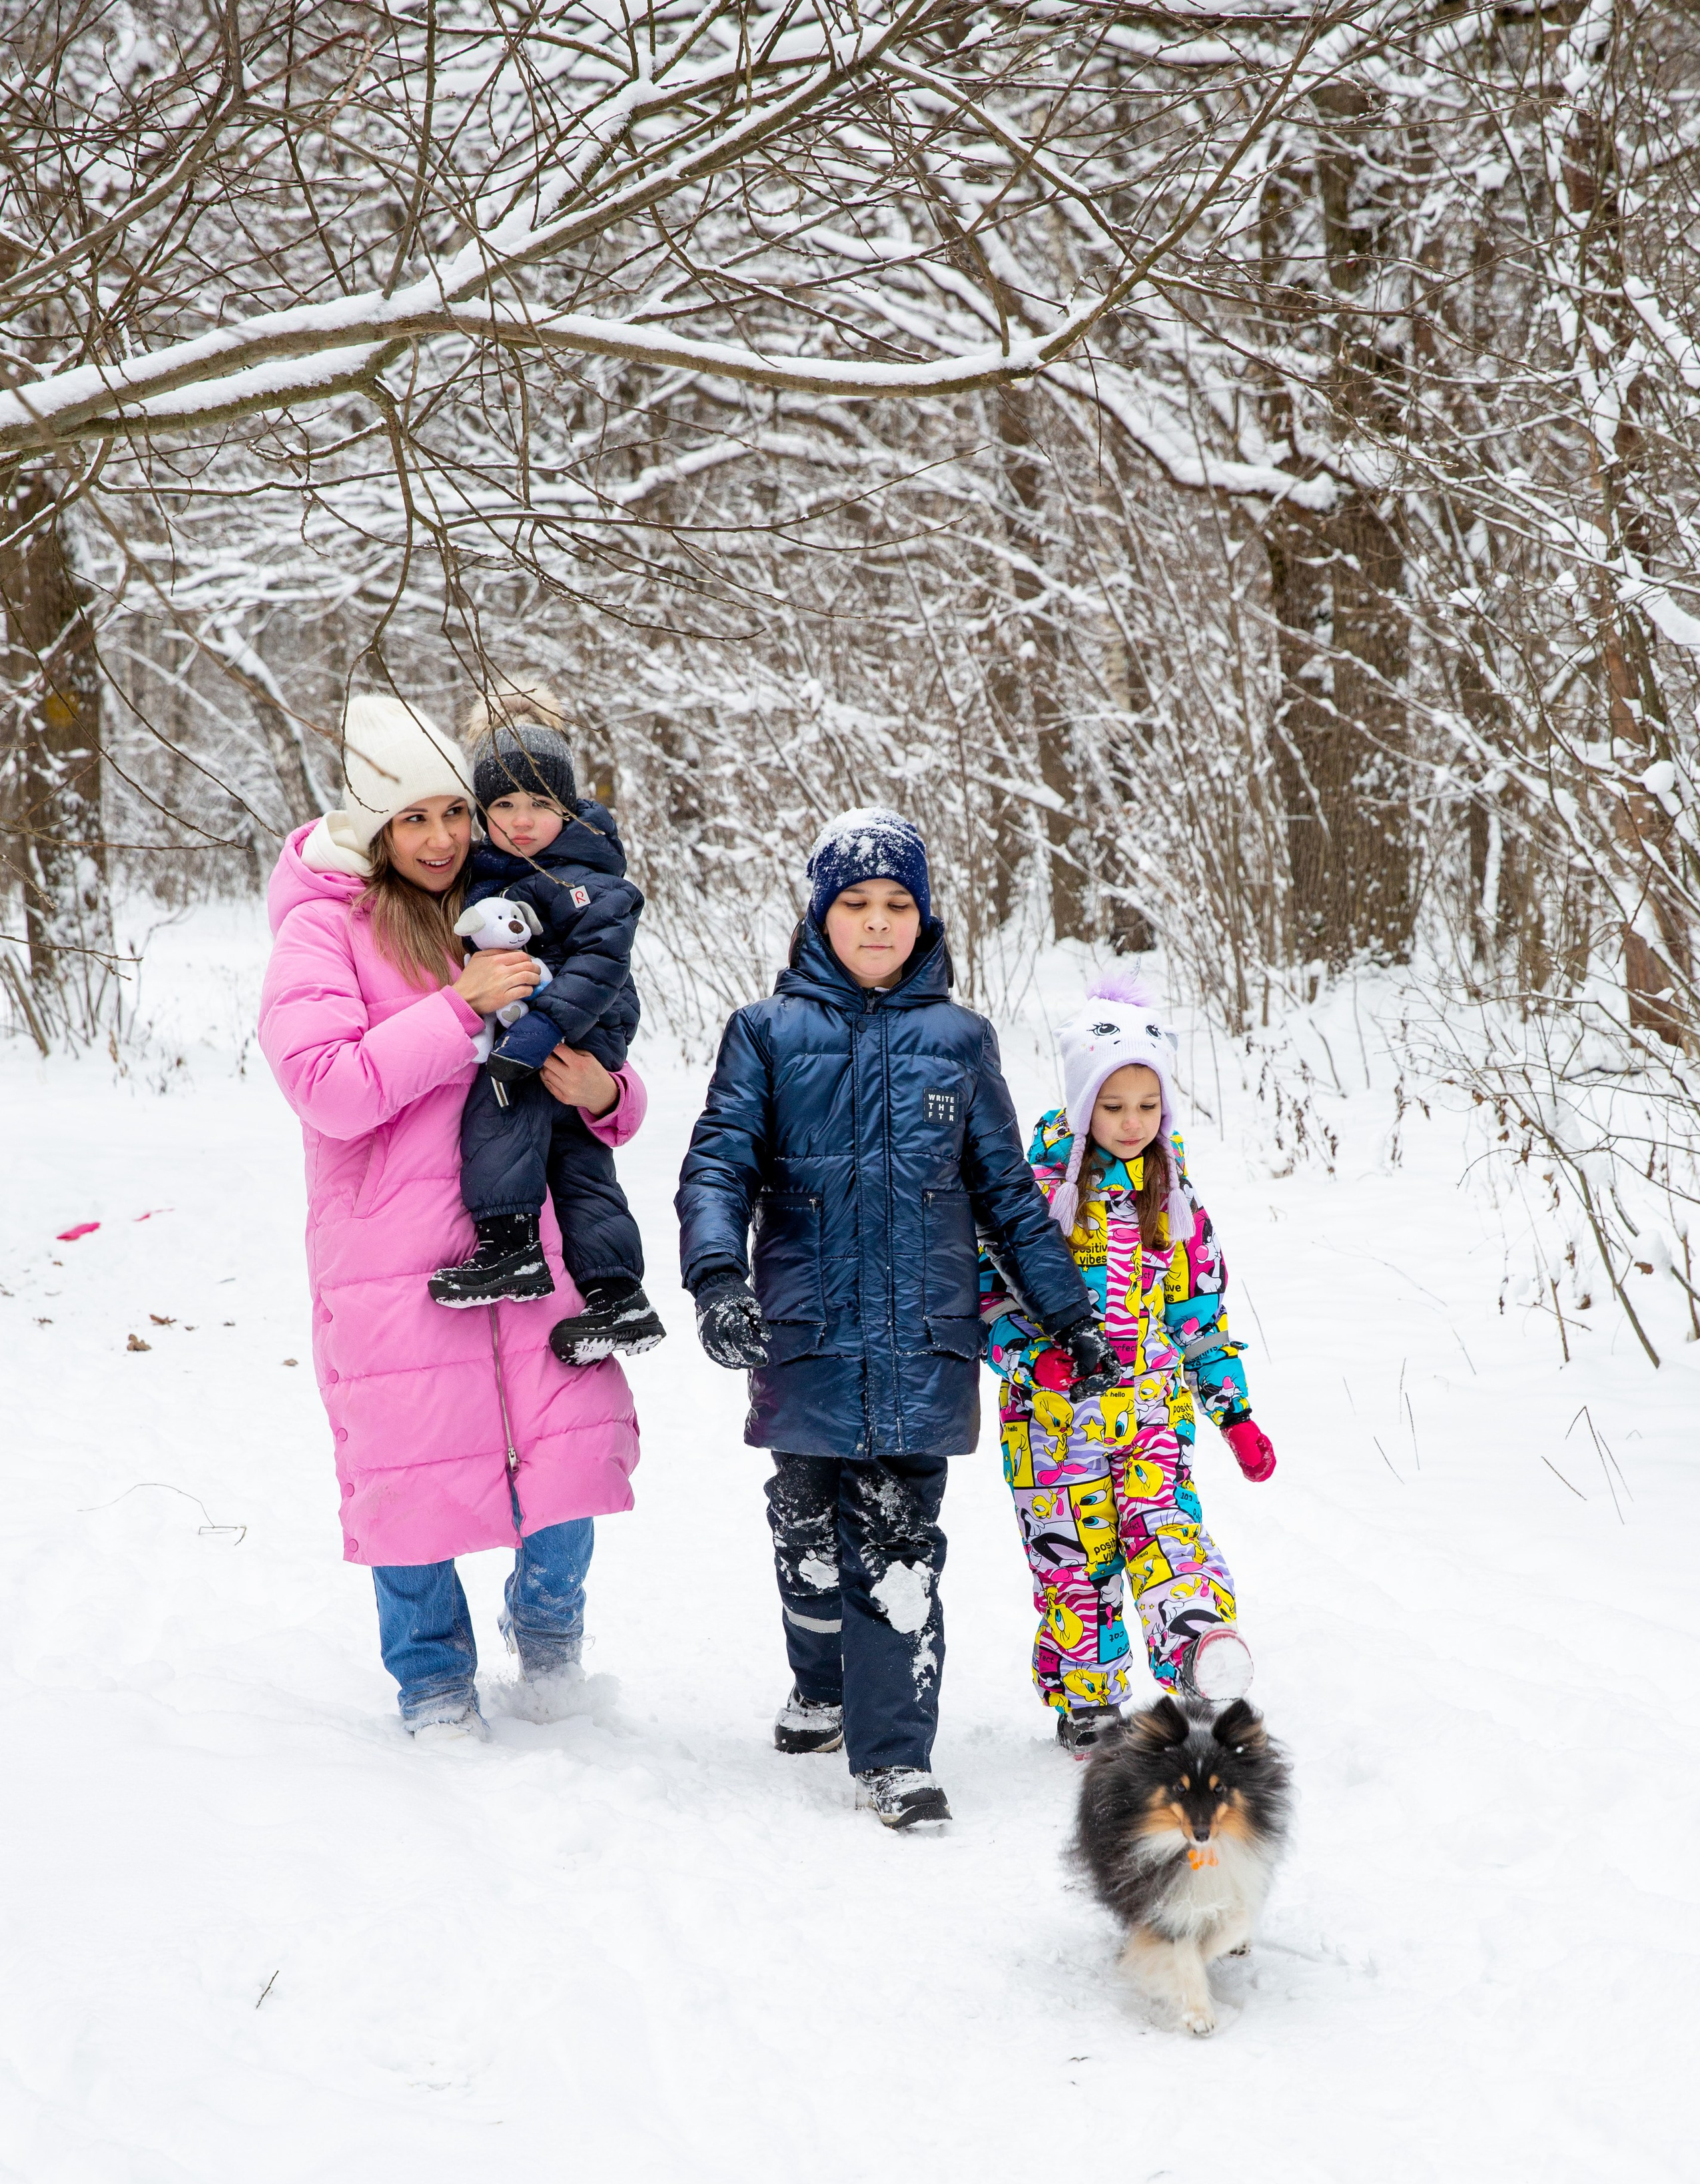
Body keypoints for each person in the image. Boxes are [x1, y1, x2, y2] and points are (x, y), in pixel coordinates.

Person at [675, 809, 1118, 1830]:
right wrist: (716, 1280)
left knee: (899, 1545)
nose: (878, 924)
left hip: (922, 1344)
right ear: (821, 916)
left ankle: (895, 1757)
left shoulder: (959, 1043)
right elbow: (719, 1165)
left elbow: (1007, 1195)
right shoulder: (767, 1034)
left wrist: (1069, 1318)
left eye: (898, 906)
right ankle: (822, 1681)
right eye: (857, 906)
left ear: (925, 920)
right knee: (809, 1535)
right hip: (806, 1336)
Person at [257, 691, 644, 1740]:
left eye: (453, 815)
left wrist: (608, 1098)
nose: (439, 840)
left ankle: (551, 1629)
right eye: (413, 819)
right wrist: (456, 1006)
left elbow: (604, 1052)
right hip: (391, 1258)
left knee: (566, 1461)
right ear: (375, 827)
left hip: (532, 1238)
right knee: (408, 1483)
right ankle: (432, 1685)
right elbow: (327, 1085)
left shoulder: (517, 898)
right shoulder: (325, 928)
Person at [979, 977, 1277, 1756]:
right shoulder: (1032, 1192)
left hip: (1151, 1416)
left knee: (1168, 1534)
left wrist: (1233, 1412)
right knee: (1075, 1567)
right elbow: (984, 1297)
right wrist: (1029, 1360)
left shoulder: (1172, 1195)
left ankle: (1202, 1649)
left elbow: (1197, 1316)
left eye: (1147, 1106)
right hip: (1052, 1427)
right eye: (1112, 1107)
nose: (1131, 1123)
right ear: (1081, 1104)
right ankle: (1089, 1701)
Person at [424, 683, 664, 1362]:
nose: (521, 820)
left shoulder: (592, 876)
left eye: (539, 803)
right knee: (581, 1166)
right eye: (502, 805)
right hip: (548, 1026)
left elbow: (598, 963)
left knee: (502, 1105)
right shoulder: (488, 874)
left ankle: (512, 1245)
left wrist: (538, 1034)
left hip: (579, 1024)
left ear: (567, 807)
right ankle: (620, 1299)